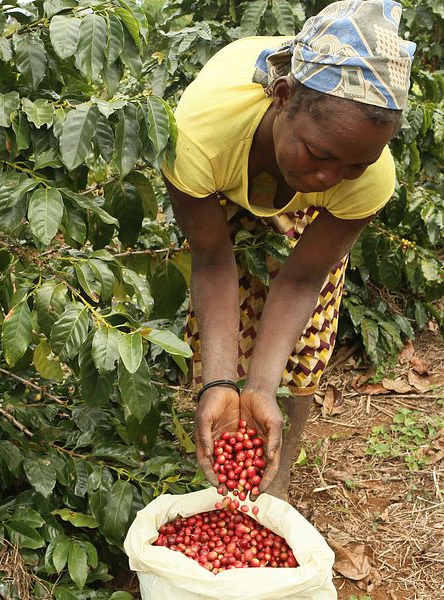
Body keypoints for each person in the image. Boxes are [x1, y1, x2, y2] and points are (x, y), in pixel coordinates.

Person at [161, 0, 415, 500]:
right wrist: (218, 383)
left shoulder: (364, 177)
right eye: (320, 154)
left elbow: (302, 279)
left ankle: (275, 472)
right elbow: (212, 261)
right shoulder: (197, 136)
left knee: (304, 337)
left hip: (305, 203)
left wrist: (260, 386)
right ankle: (219, 416)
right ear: (282, 96)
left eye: (355, 165)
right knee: (220, 335)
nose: (330, 176)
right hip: (228, 175)